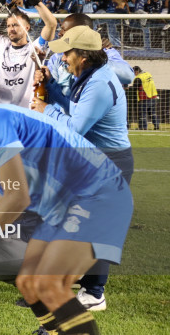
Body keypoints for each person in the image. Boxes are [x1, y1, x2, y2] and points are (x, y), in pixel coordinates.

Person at [0, 100, 132, 335]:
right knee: (28, 282)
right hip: (62, 209)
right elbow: (5, 208)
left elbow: (18, 199)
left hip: (97, 193)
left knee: (47, 284)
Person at [31, 25, 134, 311]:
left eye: (67, 53)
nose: (63, 58)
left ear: (83, 57)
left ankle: (94, 293)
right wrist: (51, 88)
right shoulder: (90, 76)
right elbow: (75, 110)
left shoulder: (98, 83)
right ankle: (79, 280)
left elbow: (75, 128)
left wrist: (46, 110)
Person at [132, 66, 160, 130]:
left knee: (142, 114)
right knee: (152, 113)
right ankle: (156, 125)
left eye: (134, 73)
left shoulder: (138, 78)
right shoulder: (148, 74)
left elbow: (135, 88)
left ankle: (143, 127)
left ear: (136, 71)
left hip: (144, 97)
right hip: (153, 96)